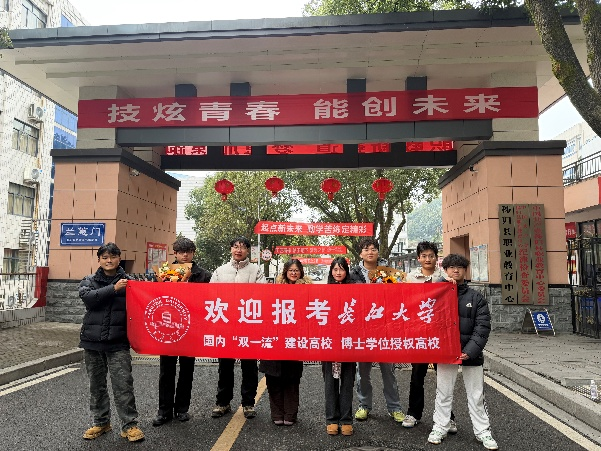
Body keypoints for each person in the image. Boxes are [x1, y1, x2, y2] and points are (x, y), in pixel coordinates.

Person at [427, 254, 498, 450]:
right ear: (445, 270)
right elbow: (427, 312)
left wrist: (470, 351)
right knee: (443, 393)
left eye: (460, 267)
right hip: (446, 353)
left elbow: (482, 327)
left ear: (465, 271)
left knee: (476, 395)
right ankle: (440, 427)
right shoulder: (438, 294)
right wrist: (442, 284)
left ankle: (483, 431)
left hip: (471, 354)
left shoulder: (476, 297)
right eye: (451, 267)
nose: (456, 270)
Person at [79, 242, 144, 442]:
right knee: (96, 386)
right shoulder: (89, 280)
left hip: (118, 342)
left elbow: (144, 301)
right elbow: (89, 299)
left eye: (113, 257)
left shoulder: (130, 283)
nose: (109, 261)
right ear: (99, 260)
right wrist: (114, 288)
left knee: (123, 385)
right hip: (92, 342)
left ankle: (129, 425)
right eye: (105, 257)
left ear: (119, 259)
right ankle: (101, 423)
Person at [153, 237, 212, 427]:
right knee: (166, 371)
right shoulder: (164, 272)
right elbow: (155, 295)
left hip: (191, 328)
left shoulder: (203, 275)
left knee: (187, 370)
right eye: (181, 252)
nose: (185, 255)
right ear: (175, 253)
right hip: (168, 327)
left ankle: (182, 409)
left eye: (188, 251)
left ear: (193, 253)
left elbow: (209, 299)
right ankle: (164, 411)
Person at [349, 237, 405, 424]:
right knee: (362, 372)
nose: (370, 252)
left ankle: (395, 407)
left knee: (388, 371)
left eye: (373, 249)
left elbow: (399, 296)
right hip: (363, 329)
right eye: (366, 249)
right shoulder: (353, 274)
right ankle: (364, 405)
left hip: (385, 328)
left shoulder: (389, 272)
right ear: (360, 253)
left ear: (378, 252)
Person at [210, 236, 266, 419]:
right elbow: (211, 295)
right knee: (225, 366)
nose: (238, 250)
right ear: (230, 249)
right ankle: (222, 403)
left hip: (248, 325)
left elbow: (263, 295)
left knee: (249, 366)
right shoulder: (220, 271)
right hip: (226, 325)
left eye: (242, 247)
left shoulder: (256, 271)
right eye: (235, 246)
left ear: (248, 250)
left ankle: (248, 404)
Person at [402, 241, 456, 431]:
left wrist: (453, 285)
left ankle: (448, 417)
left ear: (436, 258)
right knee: (417, 376)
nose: (427, 259)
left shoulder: (445, 278)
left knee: (443, 377)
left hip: (440, 335)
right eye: (424, 256)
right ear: (418, 258)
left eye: (431, 256)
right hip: (419, 334)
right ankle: (413, 413)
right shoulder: (410, 278)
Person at [259, 259, 309, 426]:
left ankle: (290, 414)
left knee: (292, 378)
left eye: (296, 270)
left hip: (295, 340)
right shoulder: (275, 289)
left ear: (301, 272)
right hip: (275, 339)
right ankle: (277, 413)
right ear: (285, 272)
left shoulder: (308, 290)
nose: (293, 273)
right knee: (273, 377)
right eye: (291, 270)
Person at [323, 257, 357, 436]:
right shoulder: (324, 291)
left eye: (341, 269)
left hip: (348, 343)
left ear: (346, 271)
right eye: (335, 269)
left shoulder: (354, 290)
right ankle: (331, 419)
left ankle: (346, 419)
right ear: (331, 271)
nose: (338, 272)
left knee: (347, 382)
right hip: (329, 344)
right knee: (330, 382)